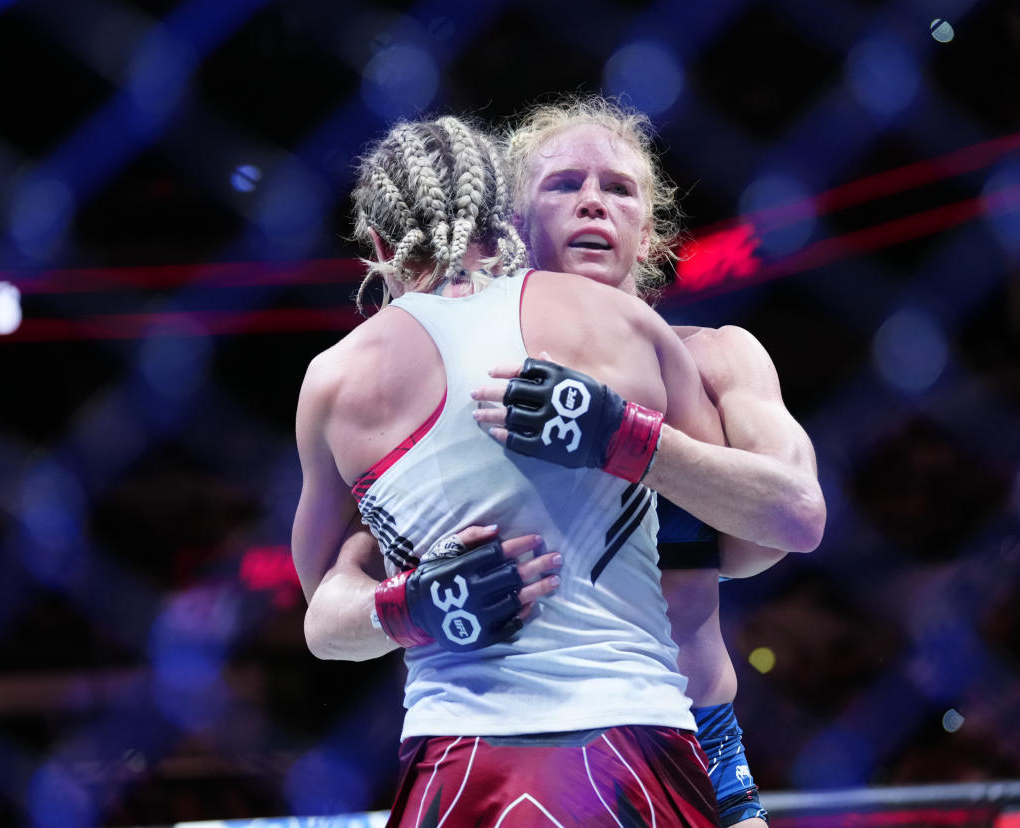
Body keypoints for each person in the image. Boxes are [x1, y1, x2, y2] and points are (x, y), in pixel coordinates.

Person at [292, 115, 726, 826]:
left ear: (376, 246)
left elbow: (325, 614)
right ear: (511, 219)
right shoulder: (613, 321)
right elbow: (752, 525)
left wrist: (409, 606)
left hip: (461, 755)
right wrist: (630, 444)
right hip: (639, 739)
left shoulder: (340, 378)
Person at [471, 96, 826, 827]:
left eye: (619, 188)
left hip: (690, 741)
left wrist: (626, 438)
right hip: (517, 736)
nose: (593, 203)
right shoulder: (465, 371)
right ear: (513, 222)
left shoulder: (716, 358)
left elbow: (797, 514)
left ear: (649, 227)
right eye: (564, 184)